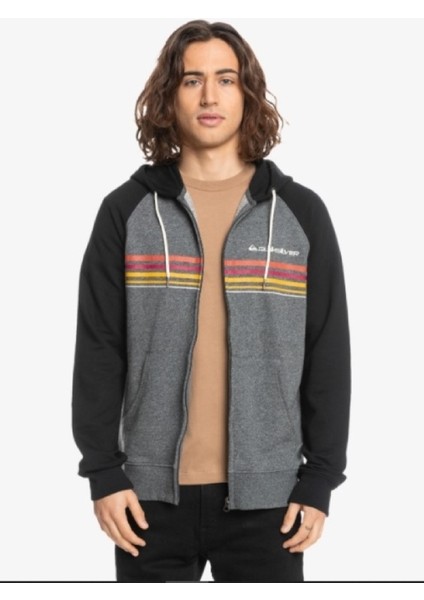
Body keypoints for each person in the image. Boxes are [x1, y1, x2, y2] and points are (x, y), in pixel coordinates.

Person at [71, 19, 351, 583]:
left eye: (225, 79)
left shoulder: (300, 214)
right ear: (169, 95)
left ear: (247, 93)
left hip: (271, 501)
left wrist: (320, 477)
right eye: (191, 80)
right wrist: (103, 471)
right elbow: (99, 347)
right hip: (146, 500)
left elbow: (327, 350)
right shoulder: (126, 212)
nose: (209, 96)